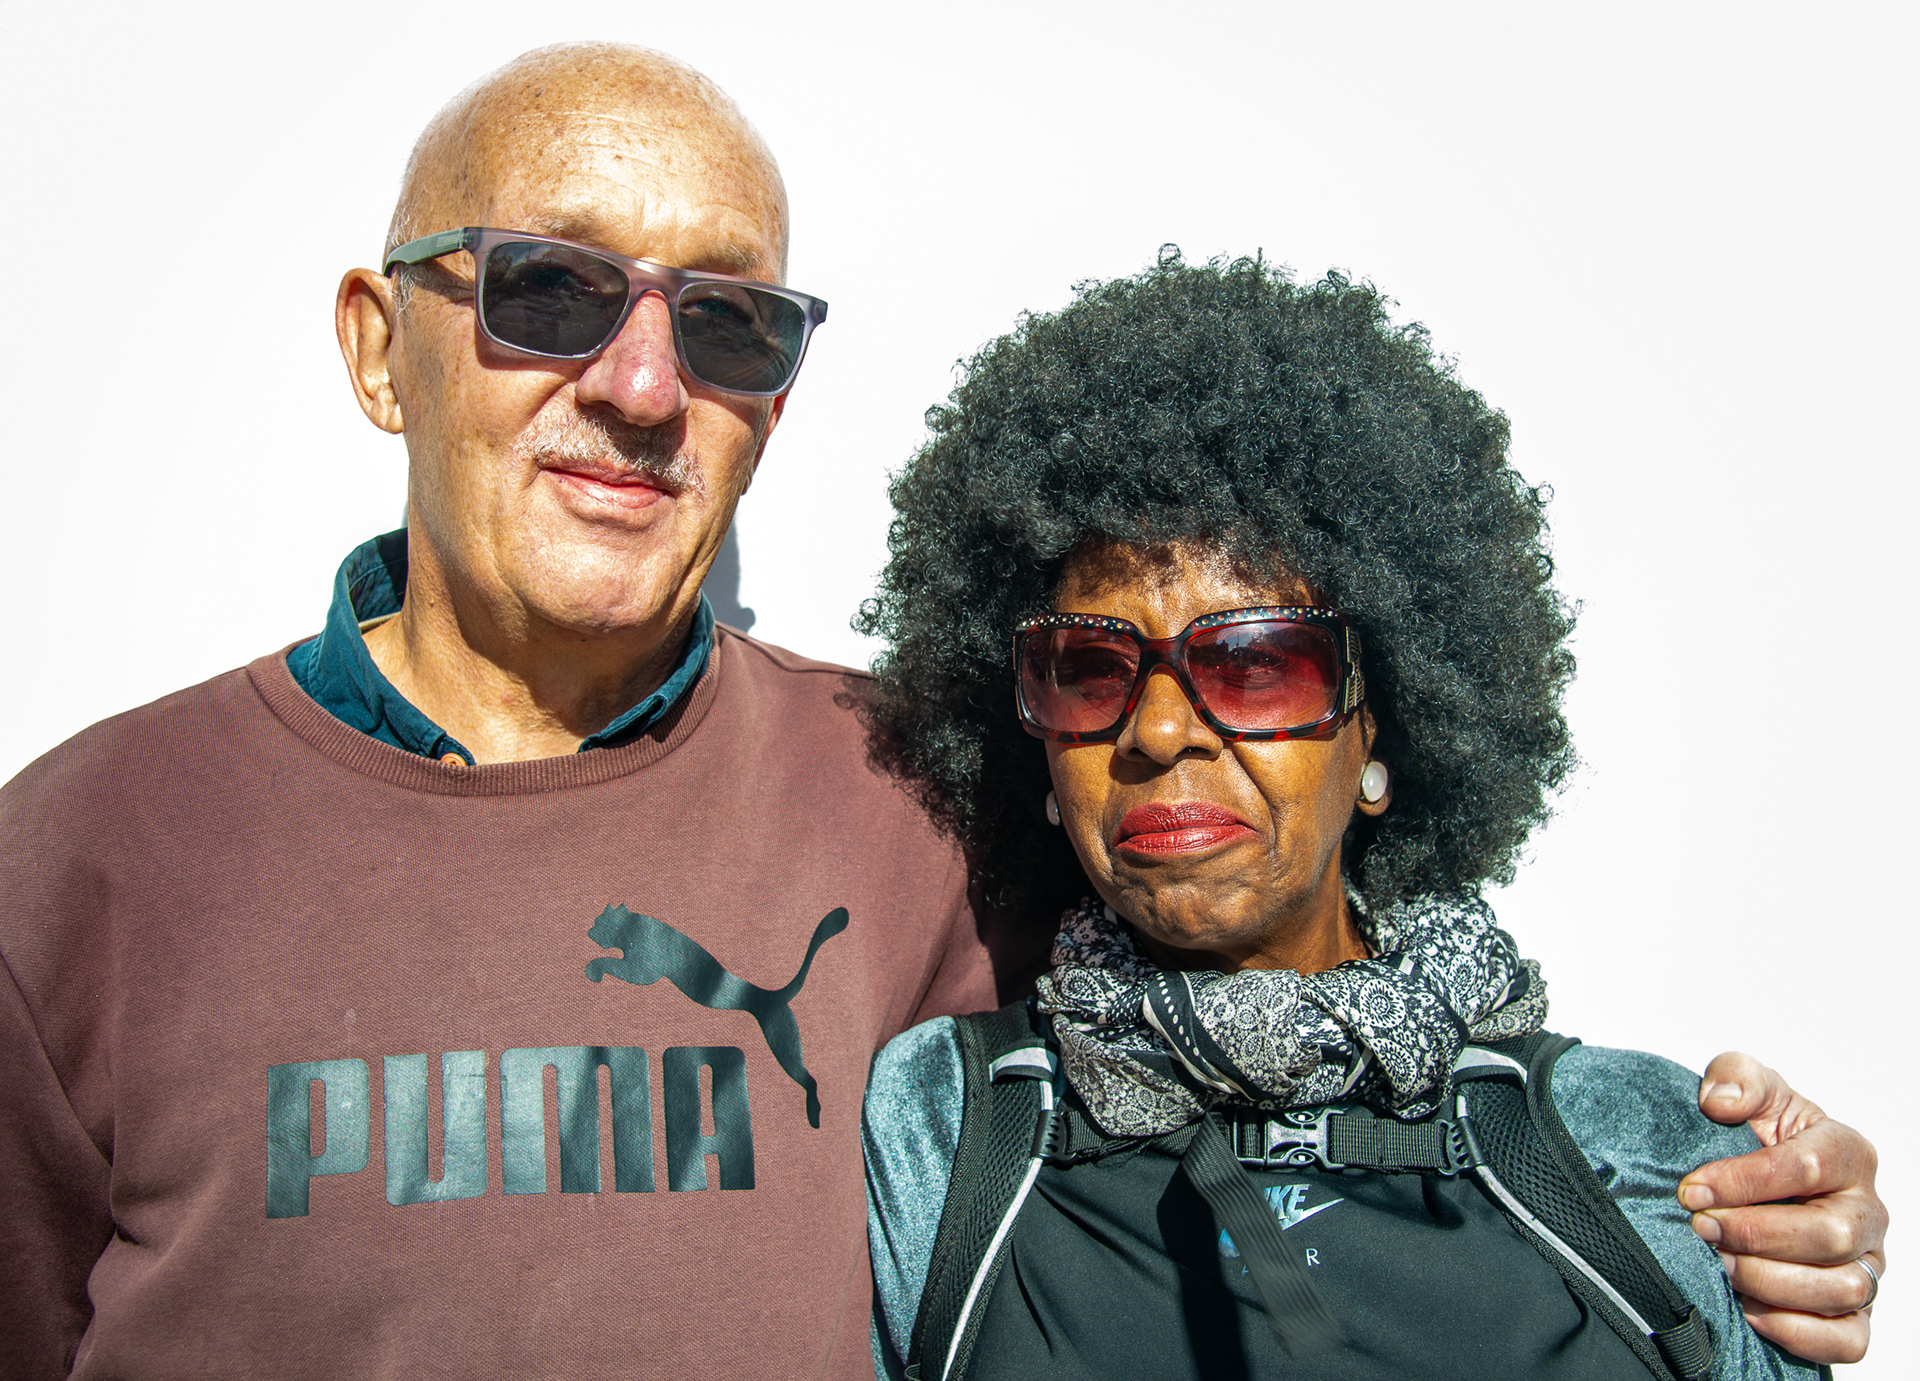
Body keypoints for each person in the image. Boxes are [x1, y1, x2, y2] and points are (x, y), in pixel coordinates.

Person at [0, 44, 1879, 1381]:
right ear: (372, 342)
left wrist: (1774, 1189)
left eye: (728, 323)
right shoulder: (78, 860)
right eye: (550, 291)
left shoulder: (916, 802)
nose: (643, 383)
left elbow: (1281, 987)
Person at [858, 255, 1886, 1378]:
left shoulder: (1637, 1152)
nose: (1157, 732)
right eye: (1090, 669)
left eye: (1254, 664)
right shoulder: (947, 1130)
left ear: (1378, 731)